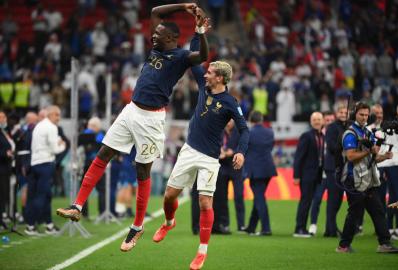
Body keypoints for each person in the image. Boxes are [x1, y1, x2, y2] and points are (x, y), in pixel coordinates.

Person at [56, 3, 209, 251]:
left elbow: (201, 56)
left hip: (151, 120)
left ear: (171, 37)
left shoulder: (181, 57)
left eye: (158, 34)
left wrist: (200, 32)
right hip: (131, 110)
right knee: (103, 153)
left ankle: (137, 226)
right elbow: (156, 12)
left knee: (142, 171)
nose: (152, 35)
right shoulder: (156, 48)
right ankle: (77, 206)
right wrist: (184, 6)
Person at [151, 36, 249, 269]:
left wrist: (241, 151)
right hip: (189, 152)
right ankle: (168, 222)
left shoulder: (230, 102)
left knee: (205, 203)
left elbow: (244, 130)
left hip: (209, 159)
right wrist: (199, 33)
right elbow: (194, 59)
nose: (205, 74)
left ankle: (201, 252)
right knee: (169, 197)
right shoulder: (204, 87)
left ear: (221, 78)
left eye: (211, 72)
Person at [336, 102, 398, 253]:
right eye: (361, 115)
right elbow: (351, 156)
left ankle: (384, 243)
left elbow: (372, 159)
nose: (364, 118)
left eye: (366, 115)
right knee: (355, 213)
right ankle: (343, 246)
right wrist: (370, 152)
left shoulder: (367, 131)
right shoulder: (350, 133)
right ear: (355, 114)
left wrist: (384, 156)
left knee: (378, 211)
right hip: (354, 179)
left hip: (368, 179)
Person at [25, 106, 66, 235]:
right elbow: (55, 150)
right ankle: (31, 225)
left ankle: (48, 225)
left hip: (34, 164)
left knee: (43, 196)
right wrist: (62, 145)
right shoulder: (51, 127)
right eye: (57, 115)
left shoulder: (39, 125)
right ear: (50, 114)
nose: (59, 118)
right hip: (45, 164)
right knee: (42, 196)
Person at [244, 111, 277, 236]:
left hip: (255, 170)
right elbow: (271, 147)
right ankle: (251, 227)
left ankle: (266, 228)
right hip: (268, 169)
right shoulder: (270, 132)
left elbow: (244, 149)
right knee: (259, 196)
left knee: (259, 198)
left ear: (251, 120)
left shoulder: (249, 133)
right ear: (261, 120)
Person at [293, 112, 324, 238]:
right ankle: (299, 228)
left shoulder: (322, 136)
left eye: (319, 119)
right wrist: (296, 175)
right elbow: (299, 157)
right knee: (305, 202)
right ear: (311, 122)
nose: (317, 122)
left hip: (318, 175)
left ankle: (302, 227)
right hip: (306, 175)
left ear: (322, 122)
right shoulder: (306, 136)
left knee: (310, 201)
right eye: (314, 119)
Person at [378, 103, 398, 240]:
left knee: (395, 197)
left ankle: (389, 228)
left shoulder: (392, 125)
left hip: (389, 164)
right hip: (396, 164)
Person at [212, 120, 246, 234]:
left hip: (236, 168)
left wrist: (234, 152)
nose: (228, 122)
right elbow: (213, 143)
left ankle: (241, 225)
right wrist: (219, 150)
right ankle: (224, 224)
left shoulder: (240, 130)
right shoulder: (219, 129)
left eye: (230, 119)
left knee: (239, 196)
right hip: (223, 167)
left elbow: (244, 144)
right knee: (223, 198)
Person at [308, 110, 335, 236]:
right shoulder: (319, 134)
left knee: (332, 202)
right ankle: (313, 224)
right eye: (327, 120)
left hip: (333, 172)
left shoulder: (336, 134)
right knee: (317, 199)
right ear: (324, 121)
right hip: (321, 174)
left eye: (331, 120)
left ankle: (330, 227)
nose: (329, 122)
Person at [323, 103, 347, 237]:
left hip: (343, 167)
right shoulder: (332, 127)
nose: (343, 114)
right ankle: (330, 229)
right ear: (336, 113)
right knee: (333, 199)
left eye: (345, 112)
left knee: (337, 201)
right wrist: (347, 146)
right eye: (341, 112)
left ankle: (331, 228)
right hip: (332, 167)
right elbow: (331, 147)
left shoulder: (349, 126)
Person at [0, 111, 14, 230]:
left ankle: (2, 219)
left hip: (6, 168)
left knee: (4, 195)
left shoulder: (5, 131)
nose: (4, 119)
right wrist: (5, 153)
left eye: (5, 116)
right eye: (2, 117)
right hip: (1, 167)